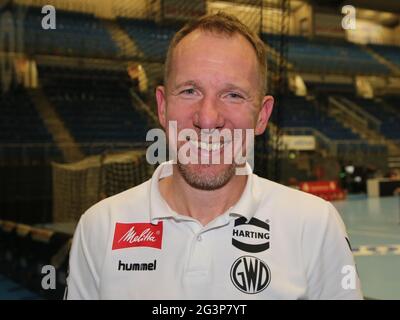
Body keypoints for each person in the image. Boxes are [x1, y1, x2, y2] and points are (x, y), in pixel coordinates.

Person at [65, 13, 362, 300]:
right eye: (190, 90)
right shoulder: (100, 227)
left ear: (262, 116)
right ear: (162, 106)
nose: (207, 118)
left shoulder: (315, 225)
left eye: (233, 95)